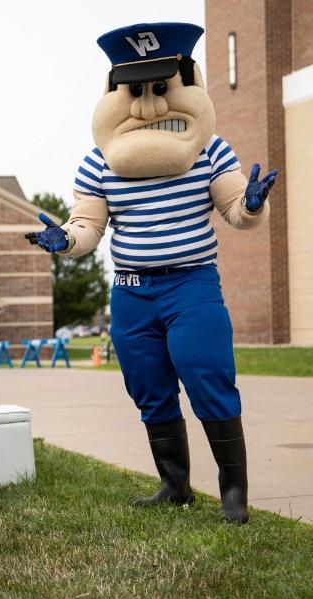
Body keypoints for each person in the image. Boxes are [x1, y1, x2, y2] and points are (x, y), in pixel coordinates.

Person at [25, 22, 277, 524]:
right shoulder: (98, 162)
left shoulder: (210, 150)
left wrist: (250, 206)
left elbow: (233, 208)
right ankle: (175, 484)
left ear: (188, 82)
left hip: (192, 284)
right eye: (135, 90)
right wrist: (68, 241)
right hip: (132, 292)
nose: (149, 103)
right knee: (148, 386)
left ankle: (234, 493)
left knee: (207, 376)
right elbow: (89, 224)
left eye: (161, 86)